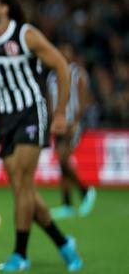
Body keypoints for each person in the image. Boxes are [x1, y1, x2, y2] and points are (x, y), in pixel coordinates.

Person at [0, 0, 82, 271]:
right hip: (3, 118)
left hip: (31, 112)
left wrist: (59, 114)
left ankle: (20, 254)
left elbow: (61, 66)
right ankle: (63, 243)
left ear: (5, 8)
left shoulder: (25, 35)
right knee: (22, 189)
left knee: (23, 185)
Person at [47, 42, 96, 219]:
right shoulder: (52, 75)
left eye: (66, 50)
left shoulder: (77, 74)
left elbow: (83, 99)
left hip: (71, 123)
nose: (62, 53)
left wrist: (75, 121)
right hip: (58, 124)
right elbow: (50, 100)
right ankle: (67, 204)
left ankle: (85, 190)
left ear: (72, 54)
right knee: (62, 162)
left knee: (63, 159)